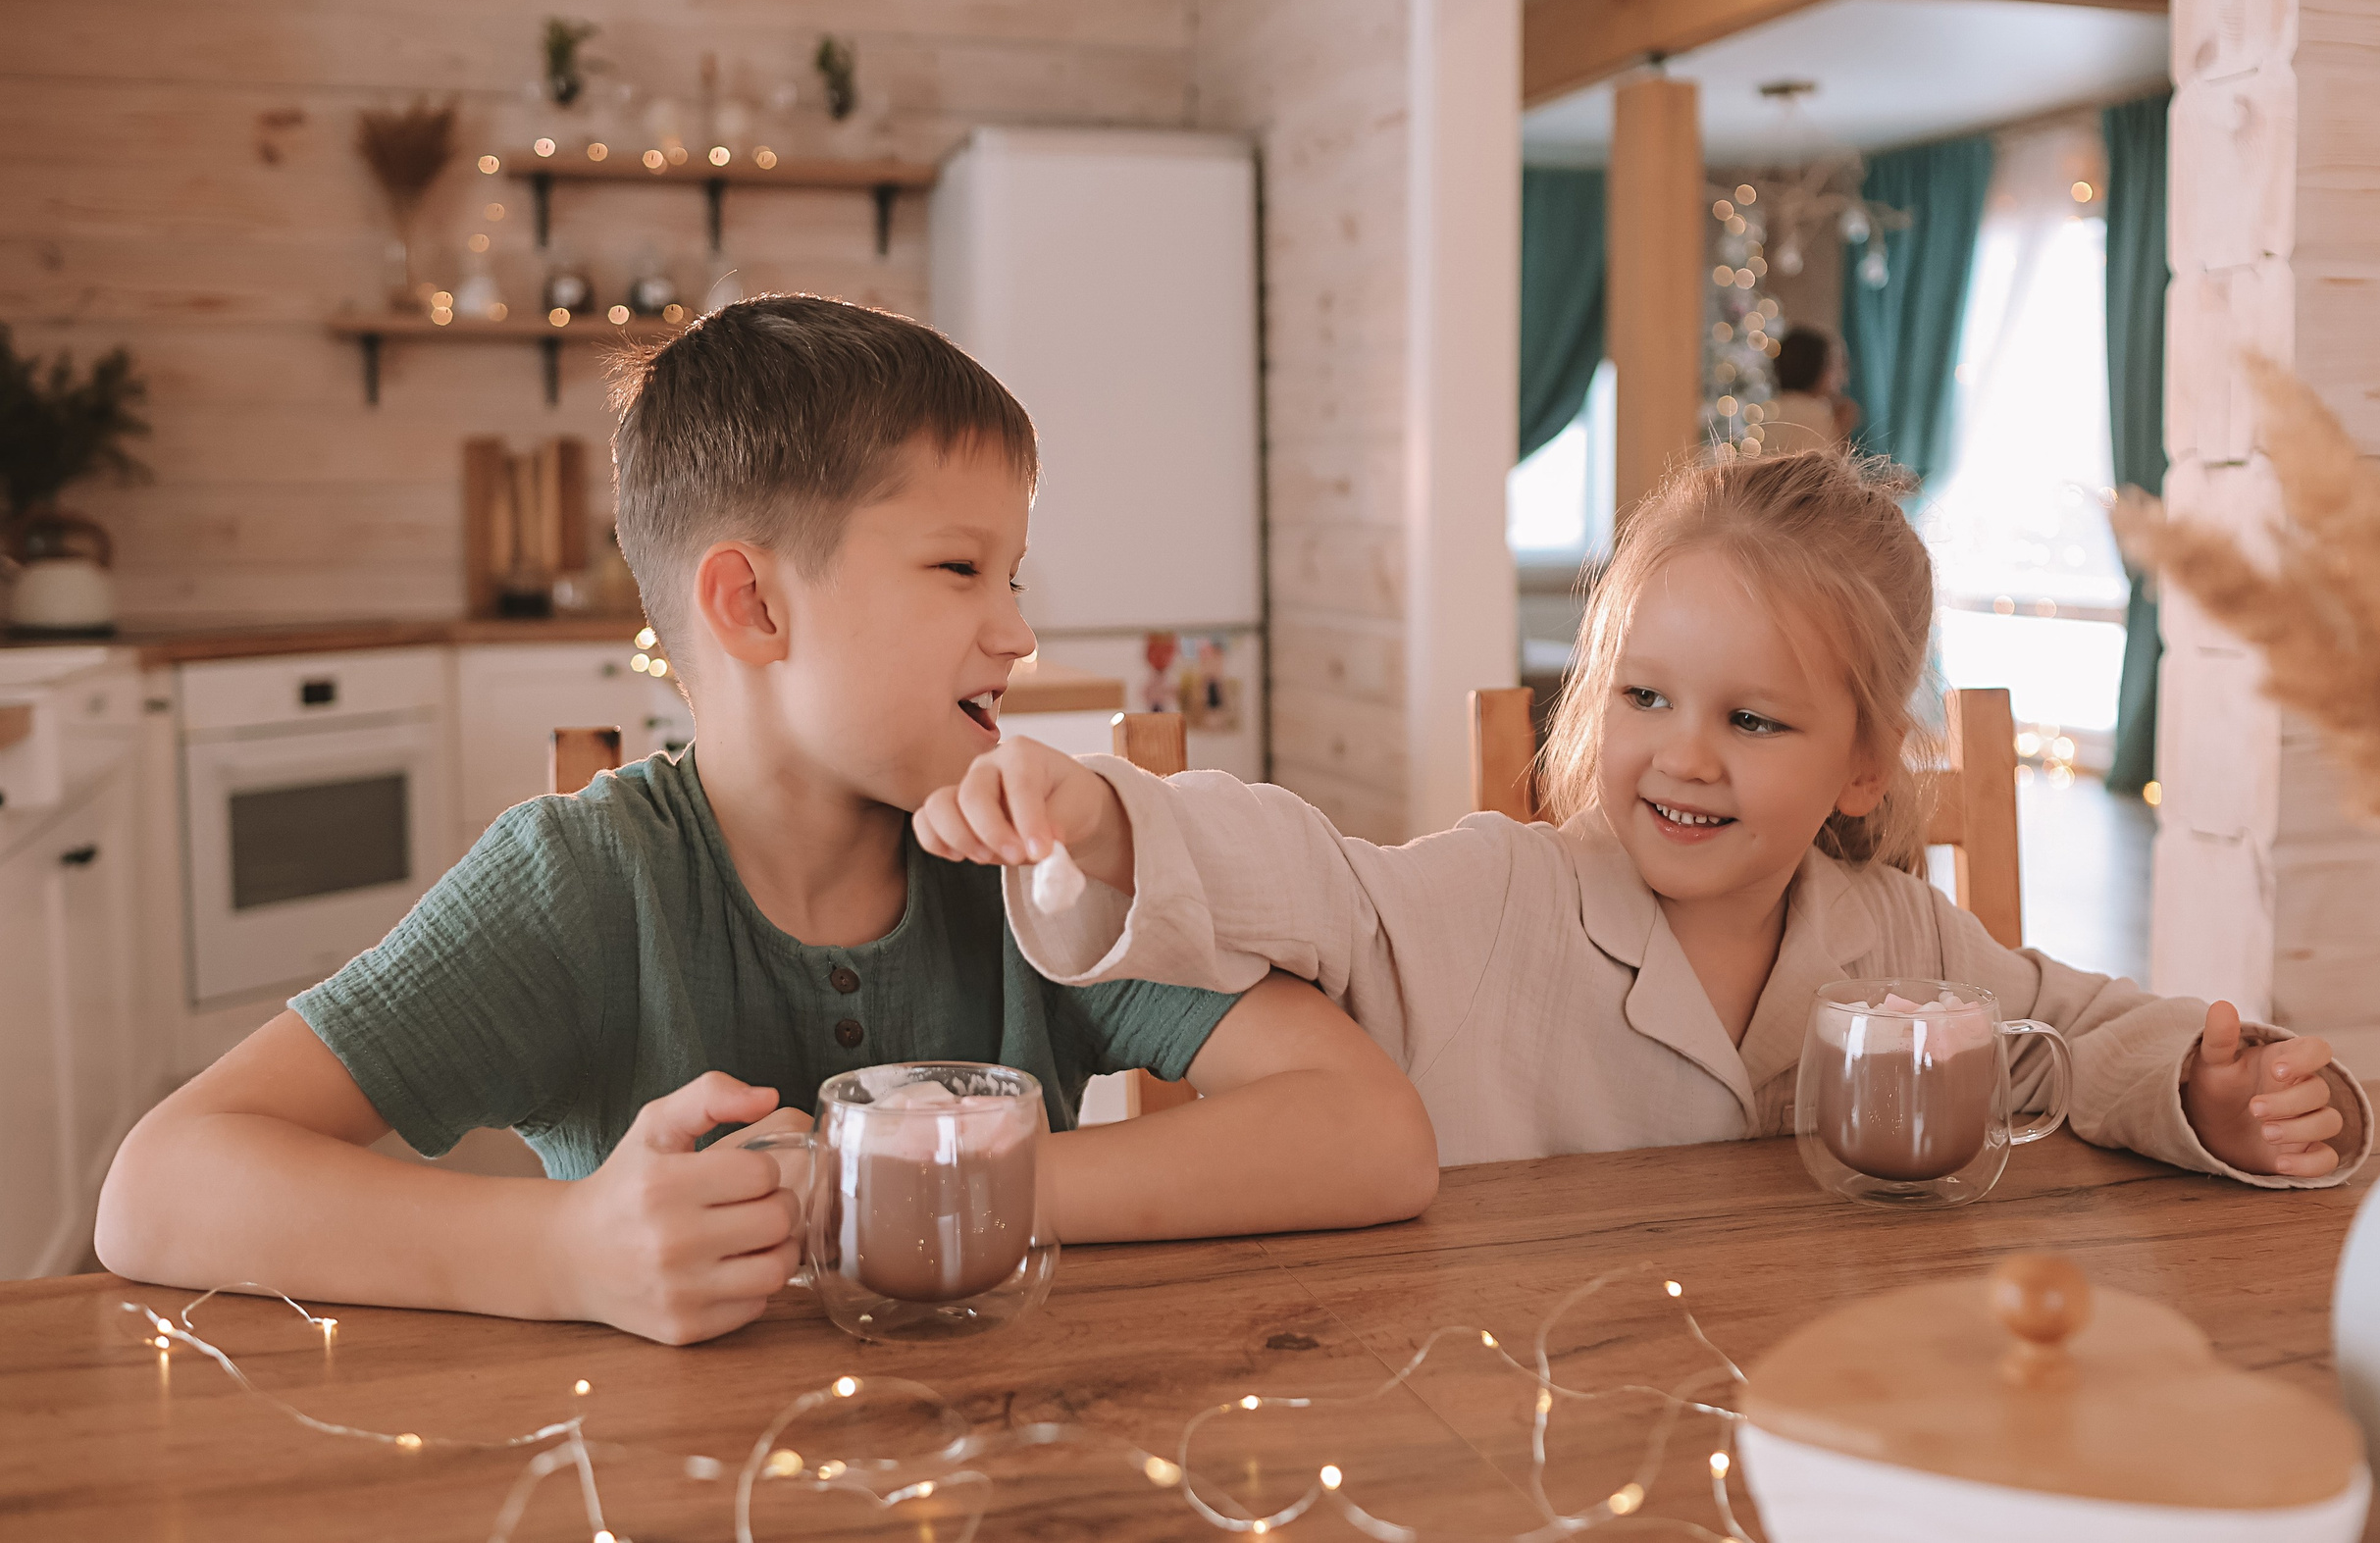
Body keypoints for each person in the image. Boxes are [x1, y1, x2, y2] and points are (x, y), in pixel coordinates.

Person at [96, 297, 1437, 1343]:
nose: (1019, 631)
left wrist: (910, 1190)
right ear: (751, 604)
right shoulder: (586, 882)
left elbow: (1369, 1131)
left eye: (1015, 573)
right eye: (961, 566)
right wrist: (566, 1252)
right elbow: (160, 1184)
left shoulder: (1025, 857)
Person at [916, 451, 2370, 1181]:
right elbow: (1314, 879)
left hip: (1804, 1387)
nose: (1684, 757)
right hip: (1511, 1401)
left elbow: (2082, 1037)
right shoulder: (1499, 892)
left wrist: (2204, 1092)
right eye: (1645, 699)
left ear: (1865, 765)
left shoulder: (1898, 937)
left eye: (1753, 720)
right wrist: (1104, 818)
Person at [1761, 326, 1859, 456]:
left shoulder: (1776, 406)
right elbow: (1829, 470)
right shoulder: (1816, 414)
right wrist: (1842, 432)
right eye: (1835, 365)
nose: (1843, 377)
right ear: (1815, 366)